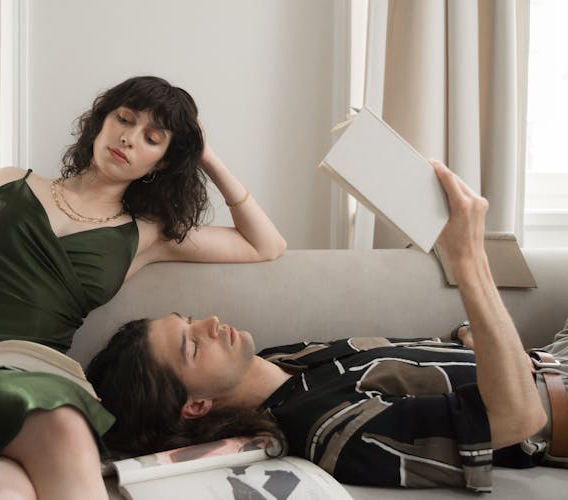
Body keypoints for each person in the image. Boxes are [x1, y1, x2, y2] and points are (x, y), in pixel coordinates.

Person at [0, 76, 286, 500]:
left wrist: (207, 156)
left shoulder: (145, 235)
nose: (129, 137)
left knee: (3, 491)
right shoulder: (10, 182)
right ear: (101, 121)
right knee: (64, 419)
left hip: (13, 393)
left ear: (162, 163)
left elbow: (265, 245)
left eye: (153, 137)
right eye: (124, 119)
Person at [87, 160, 564, 492]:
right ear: (196, 405)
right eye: (192, 346)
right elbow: (515, 422)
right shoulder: (327, 430)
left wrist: (473, 341)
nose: (211, 323)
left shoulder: (284, 361)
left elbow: (424, 370)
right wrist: (469, 262)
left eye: (190, 321)